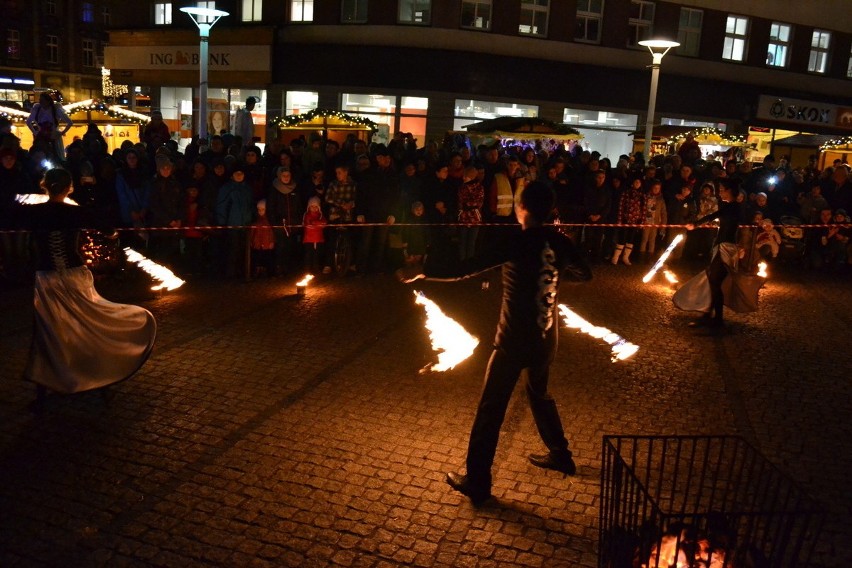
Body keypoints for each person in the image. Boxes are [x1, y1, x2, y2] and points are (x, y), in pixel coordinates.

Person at [398, 181, 592, 505]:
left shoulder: (517, 242)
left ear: (522, 208)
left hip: (514, 341)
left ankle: (477, 481)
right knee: (539, 394)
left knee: (491, 409)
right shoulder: (560, 242)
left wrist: (423, 270)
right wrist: (554, 270)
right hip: (546, 337)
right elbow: (585, 274)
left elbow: (465, 269)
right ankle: (561, 454)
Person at [19, 168, 156, 406]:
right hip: (74, 276)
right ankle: (98, 376)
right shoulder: (76, 212)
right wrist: (112, 235)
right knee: (89, 323)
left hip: (47, 278)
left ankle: (45, 387)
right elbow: (108, 229)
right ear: (68, 187)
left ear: (45, 186)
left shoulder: (35, 212)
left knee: (48, 331)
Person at [679, 179, 743, 328]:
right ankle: (711, 316)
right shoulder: (730, 207)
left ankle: (715, 319)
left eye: (722, 189)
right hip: (723, 246)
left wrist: (695, 224)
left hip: (726, 248)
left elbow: (713, 216)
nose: (720, 192)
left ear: (729, 191)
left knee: (715, 281)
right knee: (714, 282)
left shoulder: (734, 207)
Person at [26, 91, 73, 162]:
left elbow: (70, 122)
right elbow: (28, 122)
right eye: (40, 100)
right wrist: (35, 132)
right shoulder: (37, 109)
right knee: (38, 153)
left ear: (48, 101)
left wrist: (61, 133)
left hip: (53, 136)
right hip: (41, 136)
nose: (40, 102)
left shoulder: (56, 109)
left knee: (57, 154)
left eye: (42, 100)